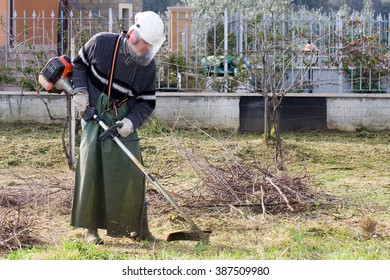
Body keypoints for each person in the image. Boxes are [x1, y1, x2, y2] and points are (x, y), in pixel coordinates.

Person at [70, 11, 165, 244]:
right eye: (145, 45)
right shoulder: (101, 42)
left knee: (133, 174)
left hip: (123, 120)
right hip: (92, 115)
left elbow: (146, 102)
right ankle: (91, 230)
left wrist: (131, 122)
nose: (146, 51)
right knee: (92, 170)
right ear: (133, 35)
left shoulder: (147, 67)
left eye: (150, 47)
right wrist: (80, 92)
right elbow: (79, 65)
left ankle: (139, 228)